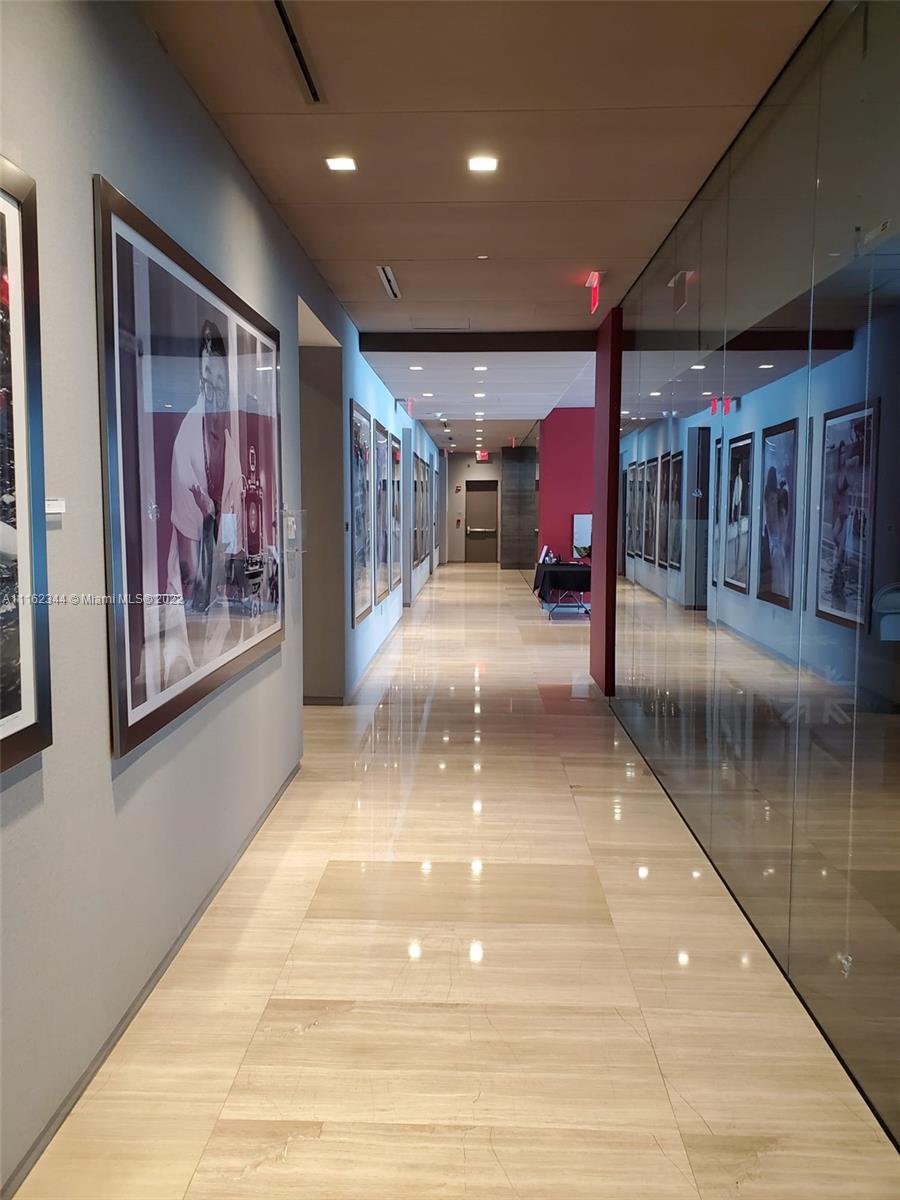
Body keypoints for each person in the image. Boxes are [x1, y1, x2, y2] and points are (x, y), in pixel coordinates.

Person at [163, 318, 244, 686]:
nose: (214, 388)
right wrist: (203, 592)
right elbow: (188, 556)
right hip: (192, 588)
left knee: (218, 669)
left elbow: (231, 523)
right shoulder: (186, 441)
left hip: (216, 582)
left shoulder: (228, 442)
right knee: (185, 669)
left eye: (220, 380)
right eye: (208, 378)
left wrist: (228, 566)